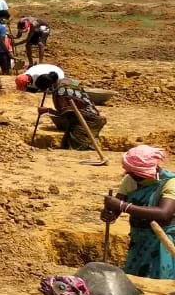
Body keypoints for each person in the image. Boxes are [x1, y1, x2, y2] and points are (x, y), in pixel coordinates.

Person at [100, 145, 175, 279]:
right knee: (135, 278)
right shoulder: (130, 180)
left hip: (160, 240)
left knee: (159, 278)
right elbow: (117, 206)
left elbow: (164, 213)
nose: (129, 175)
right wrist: (109, 213)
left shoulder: (169, 183)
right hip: (138, 239)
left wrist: (123, 206)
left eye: (133, 173)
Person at [35, 71, 105, 151]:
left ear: (49, 86)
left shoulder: (60, 93)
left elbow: (64, 114)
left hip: (88, 120)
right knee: (67, 142)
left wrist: (47, 110)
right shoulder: (71, 82)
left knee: (76, 147)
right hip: (91, 116)